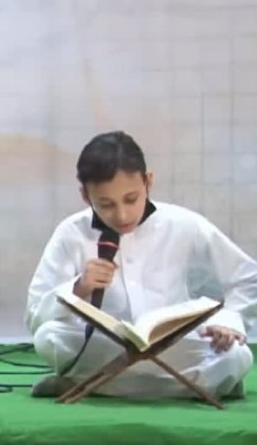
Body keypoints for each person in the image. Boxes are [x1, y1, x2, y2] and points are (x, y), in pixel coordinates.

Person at [26, 130, 257, 400]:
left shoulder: (184, 223)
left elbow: (248, 278)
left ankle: (92, 383)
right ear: (85, 196)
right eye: (106, 204)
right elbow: (35, 315)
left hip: (174, 346)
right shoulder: (71, 233)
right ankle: (204, 386)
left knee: (236, 354)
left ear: (148, 182)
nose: (122, 215)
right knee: (49, 337)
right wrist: (78, 287)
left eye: (131, 199)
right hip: (104, 345)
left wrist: (227, 321)